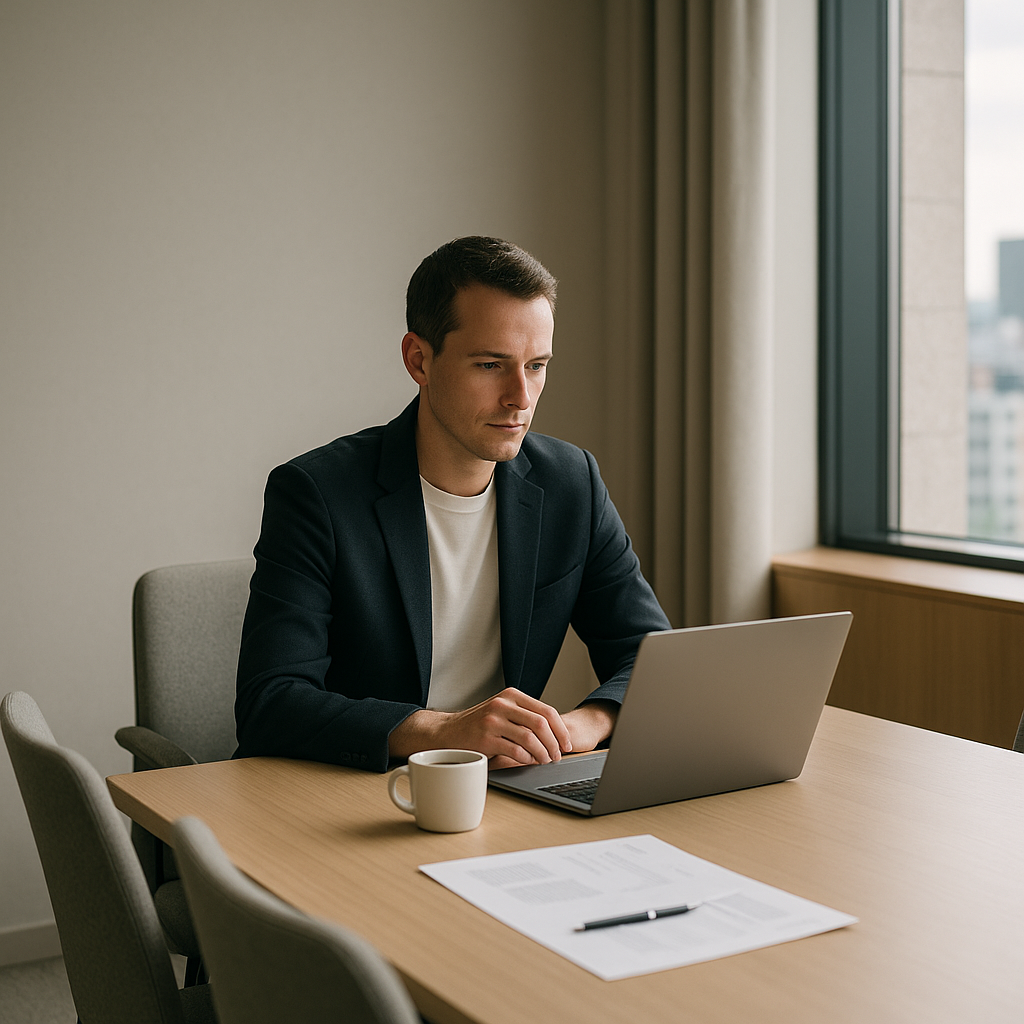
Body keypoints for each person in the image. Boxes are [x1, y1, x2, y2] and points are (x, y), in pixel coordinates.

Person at [234, 236, 670, 772]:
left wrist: (581, 726)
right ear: (419, 360)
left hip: (504, 788)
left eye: (536, 365)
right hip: (349, 791)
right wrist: (442, 729)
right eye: (491, 365)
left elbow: (651, 656)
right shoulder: (317, 494)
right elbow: (270, 701)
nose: (521, 397)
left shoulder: (570, 483)